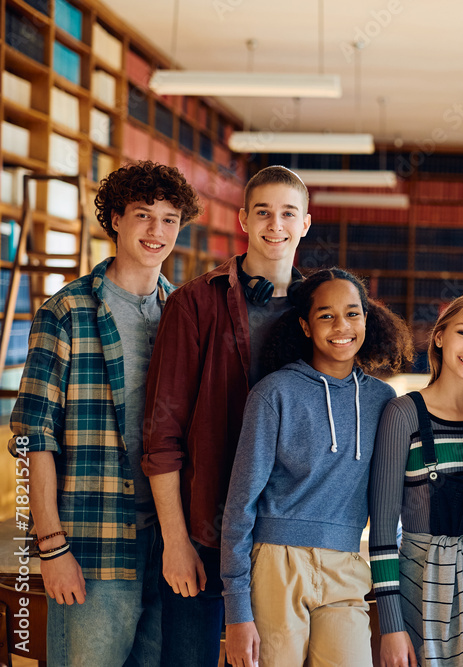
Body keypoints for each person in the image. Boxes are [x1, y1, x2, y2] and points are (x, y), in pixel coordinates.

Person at [8, 161, 201, 665]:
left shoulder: (181, 314)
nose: (157, 231)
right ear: (116, 219)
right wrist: (50, 547)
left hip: (166, 543)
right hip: (90, 543)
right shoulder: (66, 311)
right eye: (143, 215)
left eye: (169, 219)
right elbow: (32, 436)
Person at [142, 165, 311, 665]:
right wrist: (176, 542)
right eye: (263, 212)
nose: (274, 224)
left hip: (288, 534)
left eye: (287, 213)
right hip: (204, 531)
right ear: (242, 219)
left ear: (305, 223)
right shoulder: (194, 303)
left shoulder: (325, 312)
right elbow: (162, 437)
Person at [221, 267, 413, 667]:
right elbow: (240, 505)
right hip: (276, 563)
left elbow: (388, 501)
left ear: (367, 319)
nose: (341, 325)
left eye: (353, 313)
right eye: (326, 315)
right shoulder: (274, 393)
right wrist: (237, 611)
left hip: (345, 565)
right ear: (306, 327)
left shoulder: (383, 399)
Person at [371, 293, 463, 667]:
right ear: (439, 336)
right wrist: (391, 626)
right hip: (420, 588)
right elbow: (384, 530)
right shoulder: (402, 414)